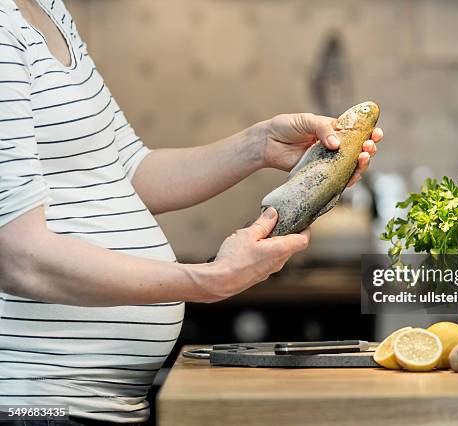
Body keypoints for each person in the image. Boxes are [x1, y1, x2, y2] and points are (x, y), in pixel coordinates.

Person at [0, 0, 383, 424]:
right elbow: (21, 259)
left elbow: (127, 169)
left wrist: (260, 145)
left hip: (106, 406)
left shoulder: (50, 9)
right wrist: (208, 280)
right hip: (34, 405)